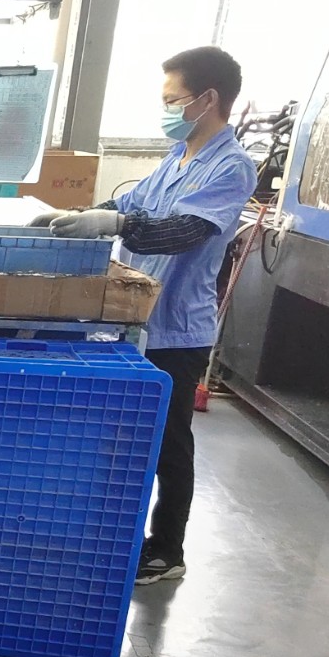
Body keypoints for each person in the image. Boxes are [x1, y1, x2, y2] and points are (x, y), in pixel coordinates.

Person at [39, 47, 257, 585]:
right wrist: (78, 215)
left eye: (172, 100)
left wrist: (113, 225)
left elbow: (183, 232)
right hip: (137, 320)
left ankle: (167, 550)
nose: (166, 111)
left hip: (178, 329)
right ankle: (117, 534)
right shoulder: (176, 157)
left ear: (208, 99)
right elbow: (130, 205)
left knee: (168, 442)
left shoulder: (231, 167)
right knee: (126, 435)